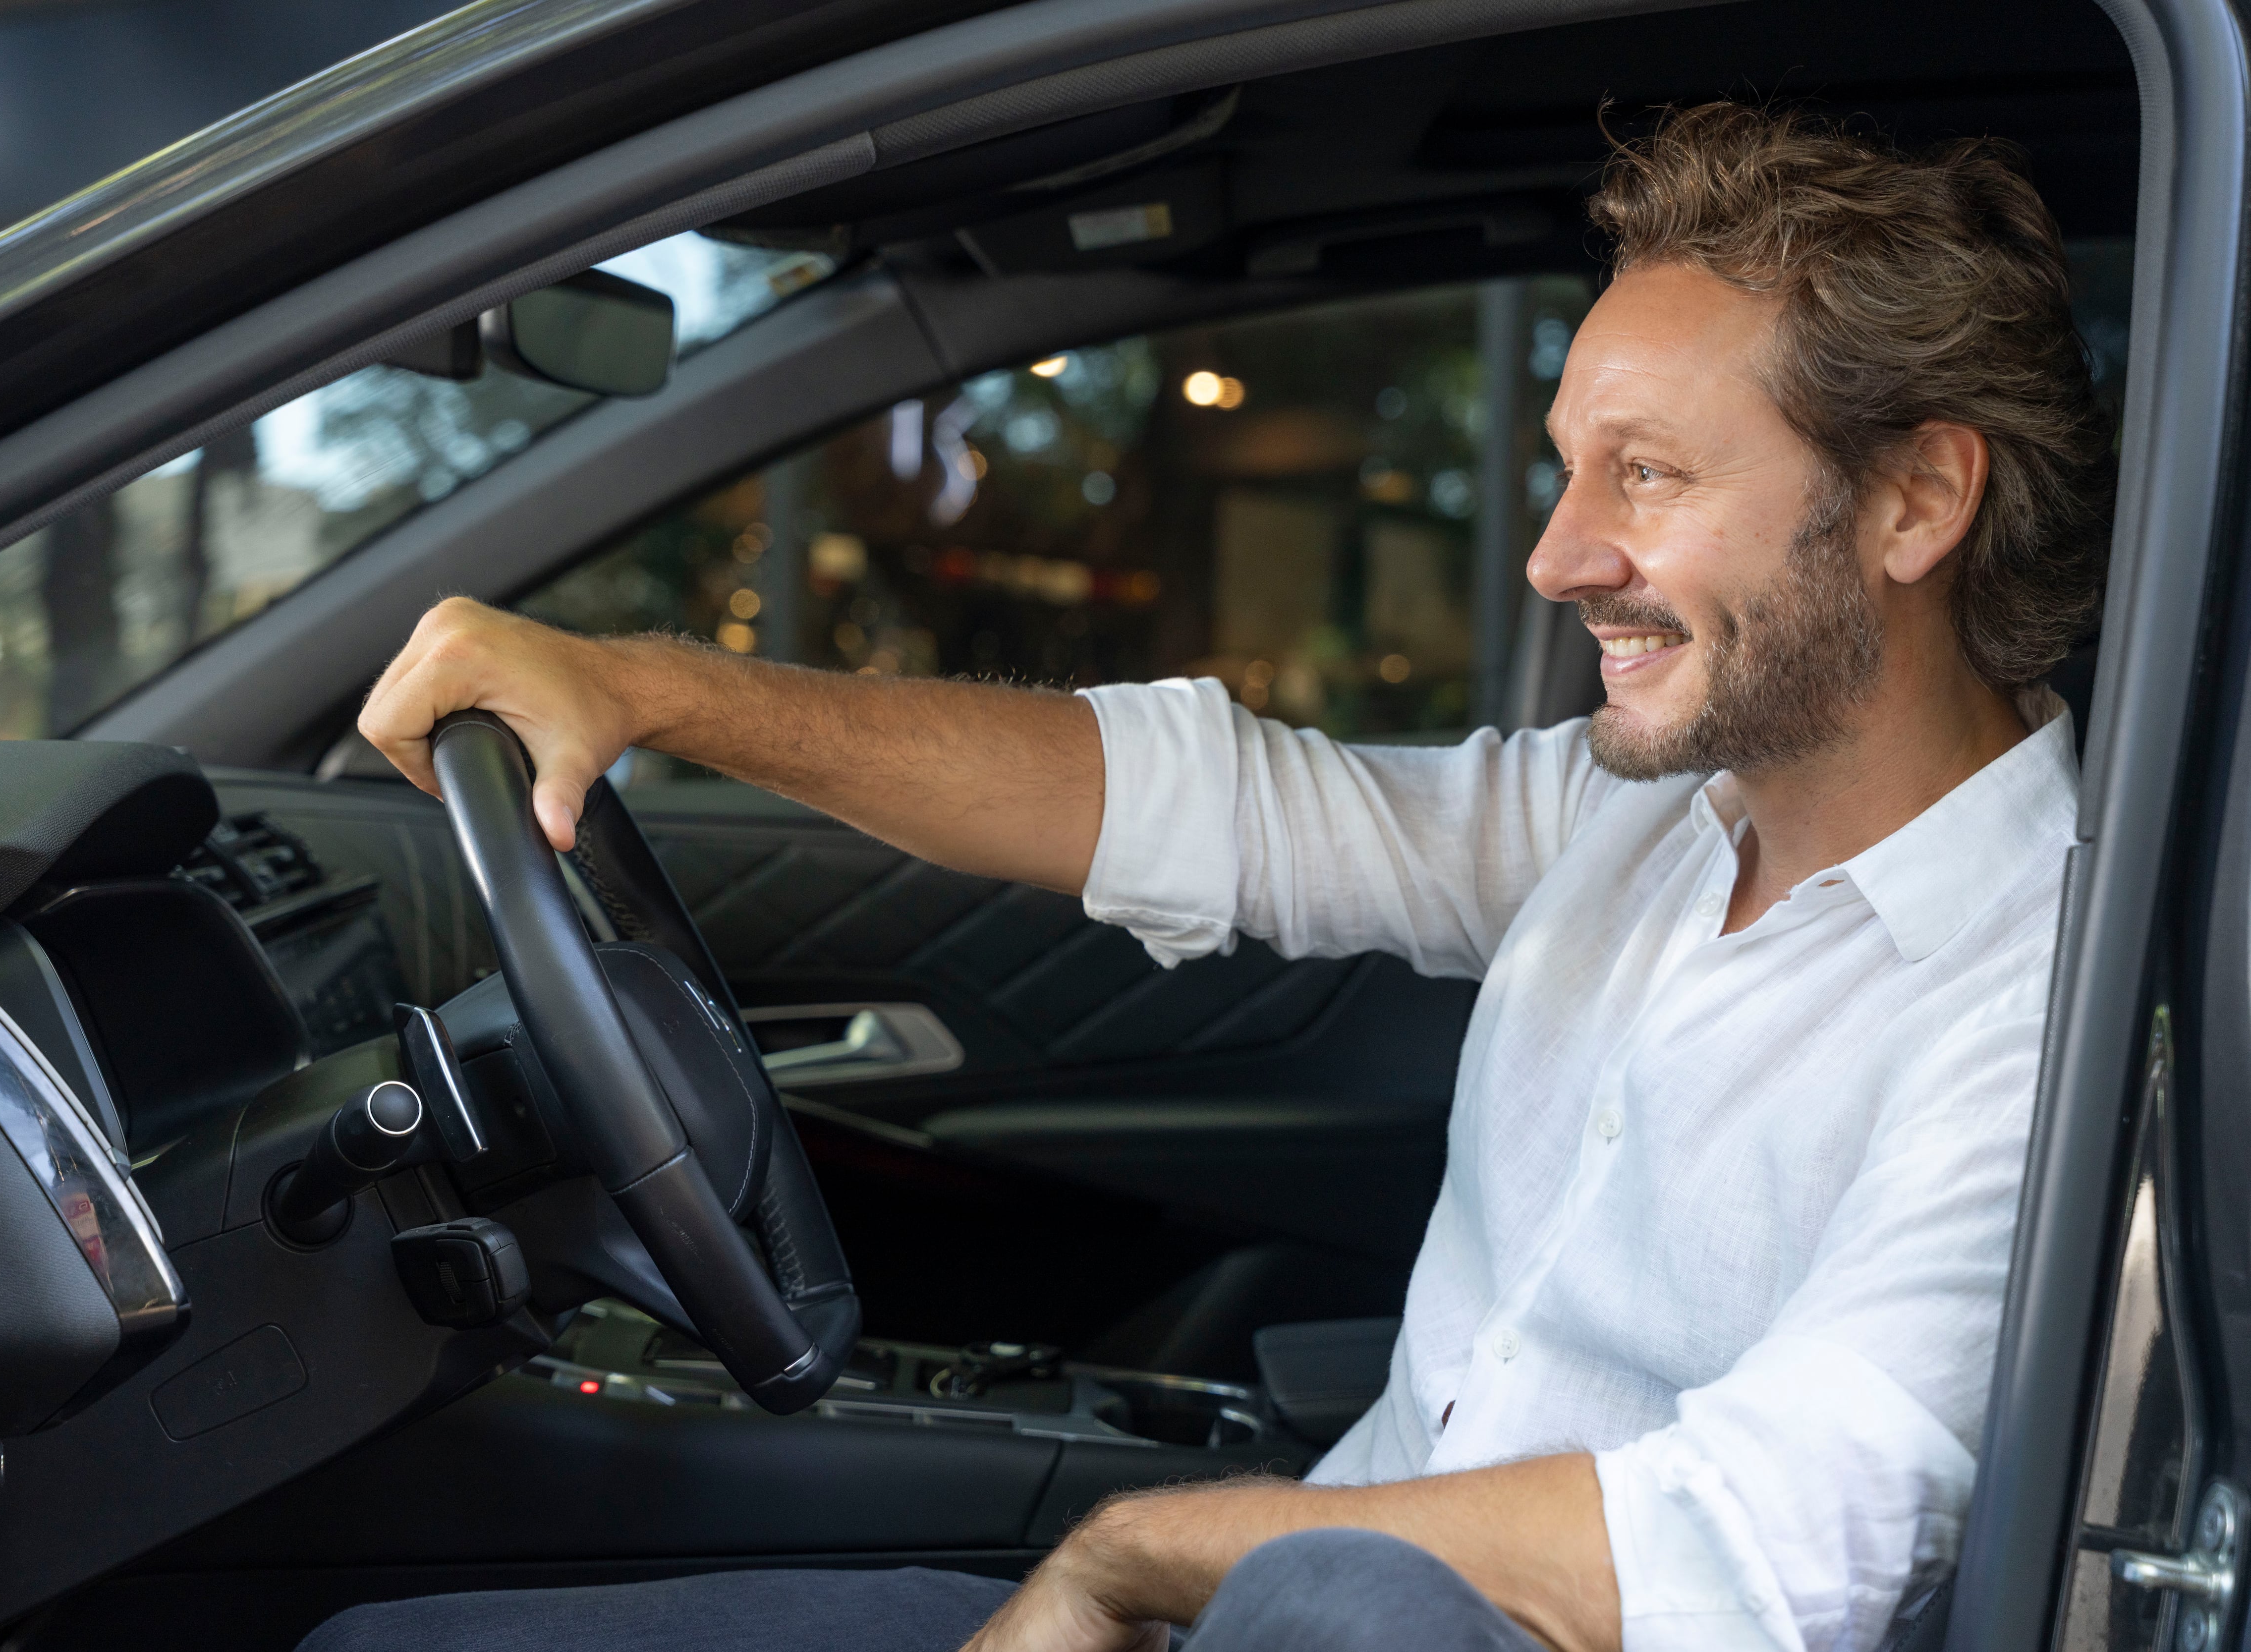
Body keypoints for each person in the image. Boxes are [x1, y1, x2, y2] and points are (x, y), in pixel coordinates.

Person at [322, 102, 2112, 1652]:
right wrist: (647, 690)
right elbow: (1215, 808)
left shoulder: (2057, 1006)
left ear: (1913, 505)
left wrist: (1141, 1548)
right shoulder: (1639, 817)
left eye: (1646, 476)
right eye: (1566, 474)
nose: (1561, 559)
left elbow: (1760, 1559)